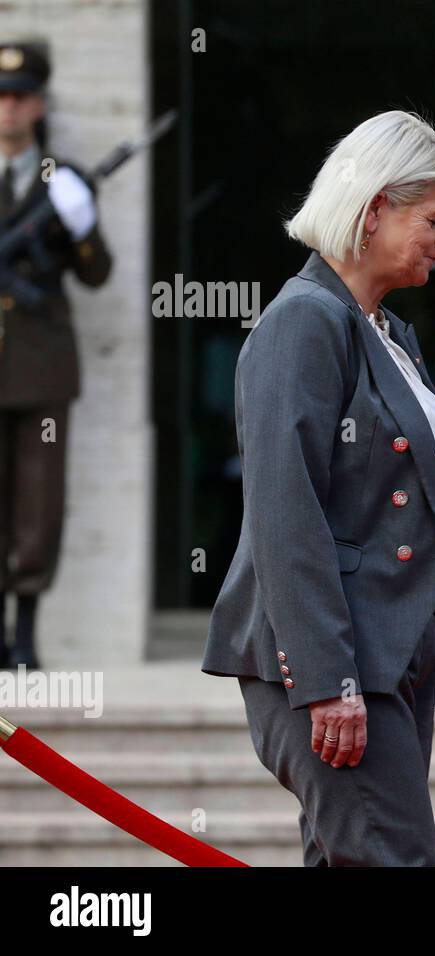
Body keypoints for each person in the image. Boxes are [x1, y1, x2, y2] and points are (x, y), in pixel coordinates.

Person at [202, 111, 435, 866]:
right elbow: (283, 512)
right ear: (374, 210)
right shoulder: (304, 321)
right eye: (432, 219)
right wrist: (327, 679)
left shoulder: (387, 333)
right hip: (334, 665)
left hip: (394, 655)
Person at [0, 41, 112, 670]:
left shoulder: (58, 181)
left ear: (39, 104)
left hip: (40, 365)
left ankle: (25, 633)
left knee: (38, 501)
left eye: (19, 97)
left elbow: (97, 273)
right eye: (1, 97)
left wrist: (81, 225)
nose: (9, 109)